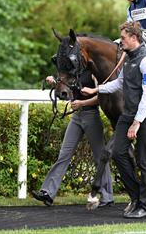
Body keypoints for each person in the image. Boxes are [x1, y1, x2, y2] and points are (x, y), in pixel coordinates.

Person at [82, 21, 146, 219]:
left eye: (123, 38)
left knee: (144, 161)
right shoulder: (129, 59)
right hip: (129, 115)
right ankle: (136, 197)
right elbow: (119, 83)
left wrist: (137, 122)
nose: (121, 41)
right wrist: (96, 89)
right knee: (117, 153)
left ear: (134, 38)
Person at [32, 71, 114, 207]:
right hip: (76, 117)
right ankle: (47, 193)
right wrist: (55, 83)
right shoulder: (72, 72)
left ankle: (107, 196)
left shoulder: (92, 72)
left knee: (100, 157)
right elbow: (67, 93)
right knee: (64, 154)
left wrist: (82, 103)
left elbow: (102, 97)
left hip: (91, 116)